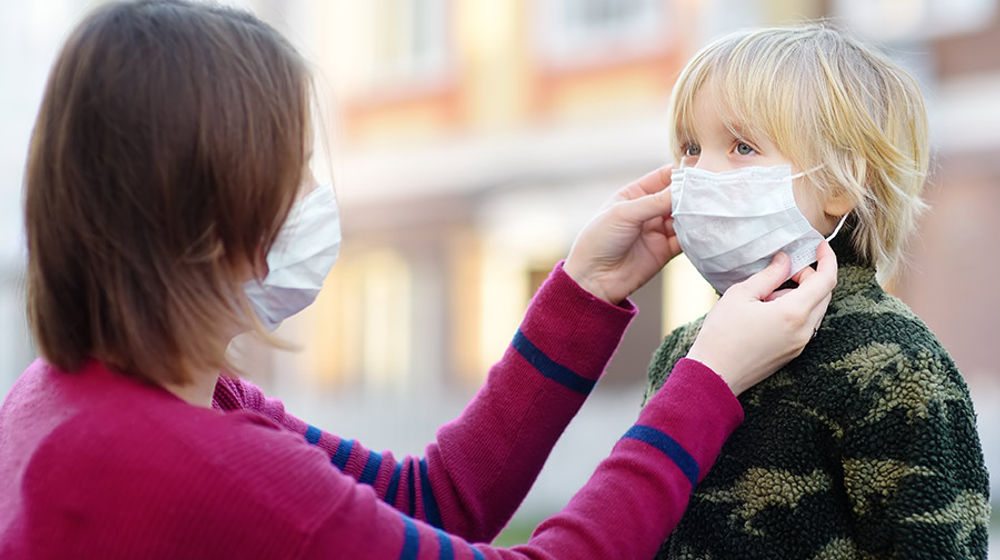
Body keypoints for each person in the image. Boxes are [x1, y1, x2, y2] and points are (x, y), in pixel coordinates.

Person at [0, 2, 837, 559]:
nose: (315, 200)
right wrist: (707, 383)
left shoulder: (92, 393)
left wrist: (581, 293)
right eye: (291, 172)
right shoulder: (190, 461)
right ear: (212, 205)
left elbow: (434, 499)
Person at [645, 24, 990, 559]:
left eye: (741, 146)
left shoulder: (892, 362)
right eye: (690, 147)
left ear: (837, 186)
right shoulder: (682, 353)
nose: (699, 174)